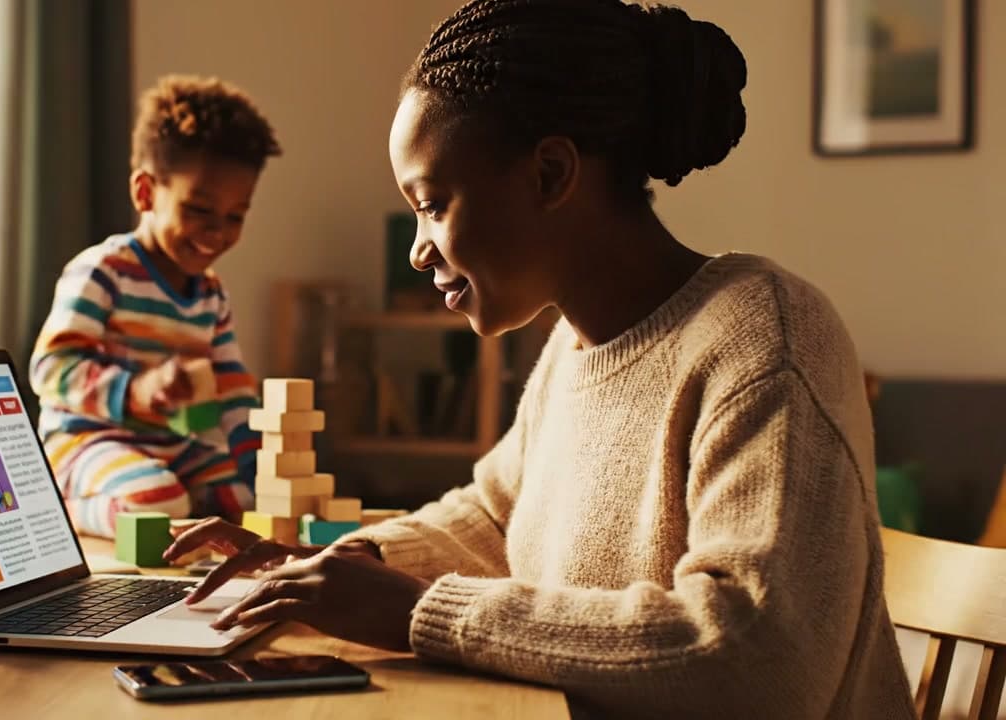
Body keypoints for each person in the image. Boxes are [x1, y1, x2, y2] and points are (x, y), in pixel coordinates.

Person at [166, 0, 917, 716]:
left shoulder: (766, 337)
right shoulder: (573, 347)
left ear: (551, 174)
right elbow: (496, 517)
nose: (418, 249)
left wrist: (421, 612)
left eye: (432, 203)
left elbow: (754, 662)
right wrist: (343, 563)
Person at [30, 75, 280, 537]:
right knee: (161, 501)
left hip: (171, 444)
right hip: (87, 441)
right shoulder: (104, 271)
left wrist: (263, 474)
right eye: (198, 210)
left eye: (235, 217)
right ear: (146, 193)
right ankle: (59, 508)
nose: (216, 233)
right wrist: (138, 390)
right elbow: (51, 368)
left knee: (240, 500)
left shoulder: (211, 295)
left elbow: (232, 391)